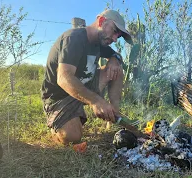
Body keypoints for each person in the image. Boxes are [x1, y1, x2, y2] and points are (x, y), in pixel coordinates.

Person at [41, 9, 133, 145]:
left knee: (116, 70)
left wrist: (115, 59)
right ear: (101, 21)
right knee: (73, 137)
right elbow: (63, 78)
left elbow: (118, 56)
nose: (114, 39)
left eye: (118, 36)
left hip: (85, 85)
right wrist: (96, 101)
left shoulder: (100, 42)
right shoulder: (73, 38)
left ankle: (114, 115)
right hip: (60, 98)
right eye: (114, 32)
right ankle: (58, 124)